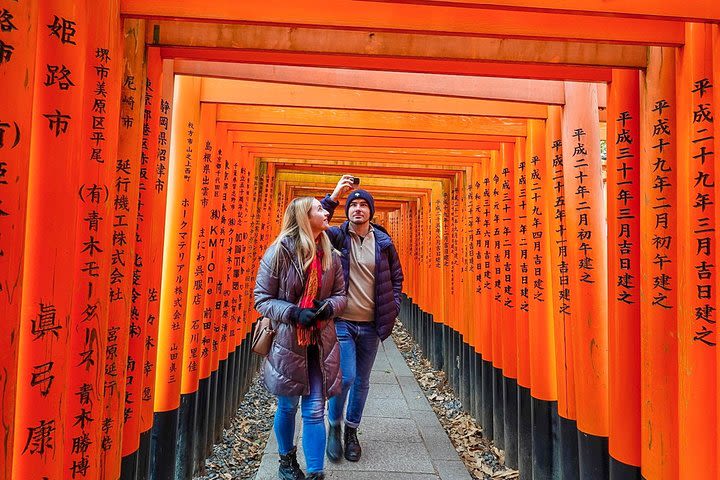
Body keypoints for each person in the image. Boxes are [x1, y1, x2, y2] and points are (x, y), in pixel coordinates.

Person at [254, 197, 347, 480]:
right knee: (287, 406)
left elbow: (341, 295)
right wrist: (293, 313)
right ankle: (286, 459)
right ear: (304, 218)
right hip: (288, 344)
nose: (325, 212)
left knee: (315, 409)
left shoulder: (330, 254)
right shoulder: (279, 253)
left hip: (320, 344)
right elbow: (262, 299)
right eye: (319, 209)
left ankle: (316, 472)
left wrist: (329, 307)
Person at [320, 175, 404, 462]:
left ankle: (351, 431)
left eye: (362, 205)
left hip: (371, 324)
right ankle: (334, 424)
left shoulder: (383, 242)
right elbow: (309, 227)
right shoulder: (337, 237)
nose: (357, 209)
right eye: (353, 205)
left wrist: (393, 306)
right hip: (342, 320)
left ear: (371, 211)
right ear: (347, 210)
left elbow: (396, 278)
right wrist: (334, 196)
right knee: (346, 376)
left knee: (363, 381)